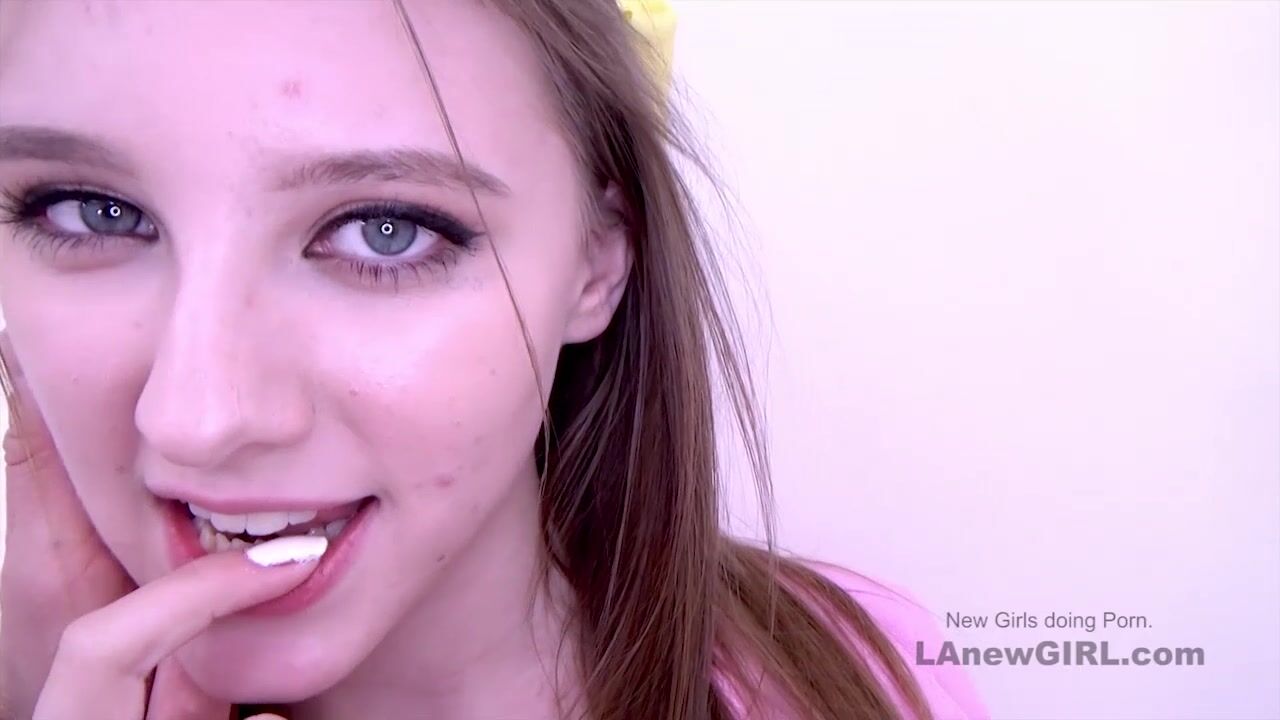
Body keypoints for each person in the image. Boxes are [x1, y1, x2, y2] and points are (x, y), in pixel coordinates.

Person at [0, 1, 987, 718]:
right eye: (94, 213)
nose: (197, 417)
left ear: (598, 258)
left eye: (385, 230)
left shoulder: (856, 673)